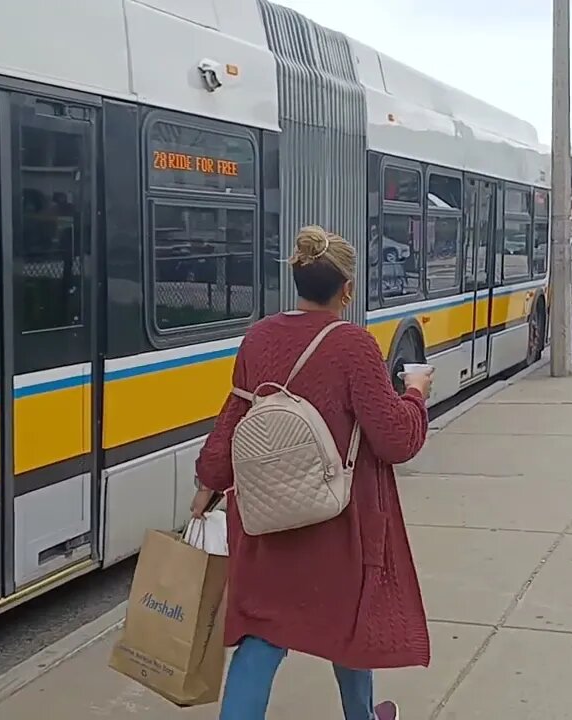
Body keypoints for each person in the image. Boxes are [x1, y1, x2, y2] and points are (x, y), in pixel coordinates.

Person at [191, 225, 433, 720]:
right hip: (336, 523)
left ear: (298, 283)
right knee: (348, 623)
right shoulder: (353, 346)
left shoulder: (258, 337)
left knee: (262, 633)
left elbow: (233, 419)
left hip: (265, 520)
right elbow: (394, 439)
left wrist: (208, 484)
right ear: (347, 290)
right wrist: (416, 396)